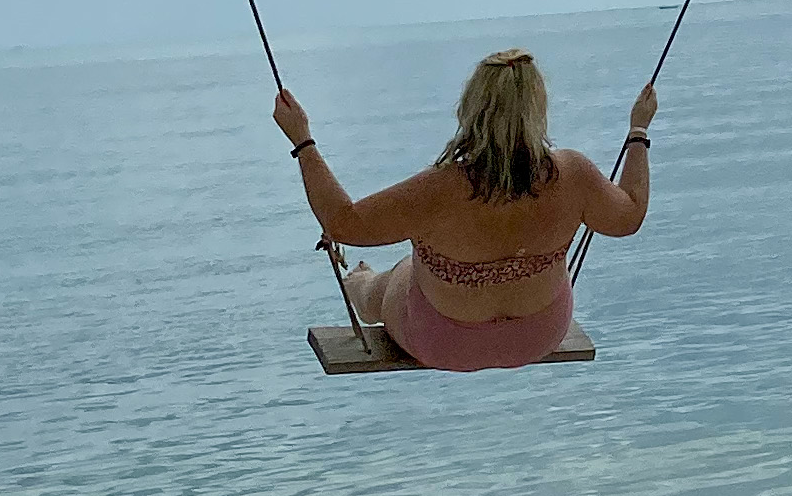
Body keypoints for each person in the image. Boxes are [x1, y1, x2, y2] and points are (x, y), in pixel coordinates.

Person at [273, 48, 654, 370]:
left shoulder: (439, 188)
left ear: (470, 108)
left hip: (442, 342)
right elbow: (628, 217)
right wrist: (638, 131)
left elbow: (343, 224)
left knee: (398, 275)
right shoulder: (573, 174)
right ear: (539, 108)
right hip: (538, 335)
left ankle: (360, 284)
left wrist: (302, 140)